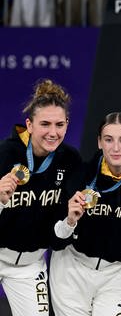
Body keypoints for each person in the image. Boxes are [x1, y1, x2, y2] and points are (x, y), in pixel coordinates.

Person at [49, 112, 121, 316]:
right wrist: (70, 221)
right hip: (72, 271)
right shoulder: (80, 176)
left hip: (117, 274)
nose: (116, 148)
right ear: (99, 143)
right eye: (108, 140)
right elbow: (56, 239)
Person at [0, 78, 82, 316]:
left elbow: (59, 233)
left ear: (67, 125)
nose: (53, 132)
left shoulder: (70, 161)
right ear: (30, 124)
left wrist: (70, 221)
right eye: (45, 124)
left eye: (59, 124)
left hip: (30, 265)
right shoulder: (5, 154)